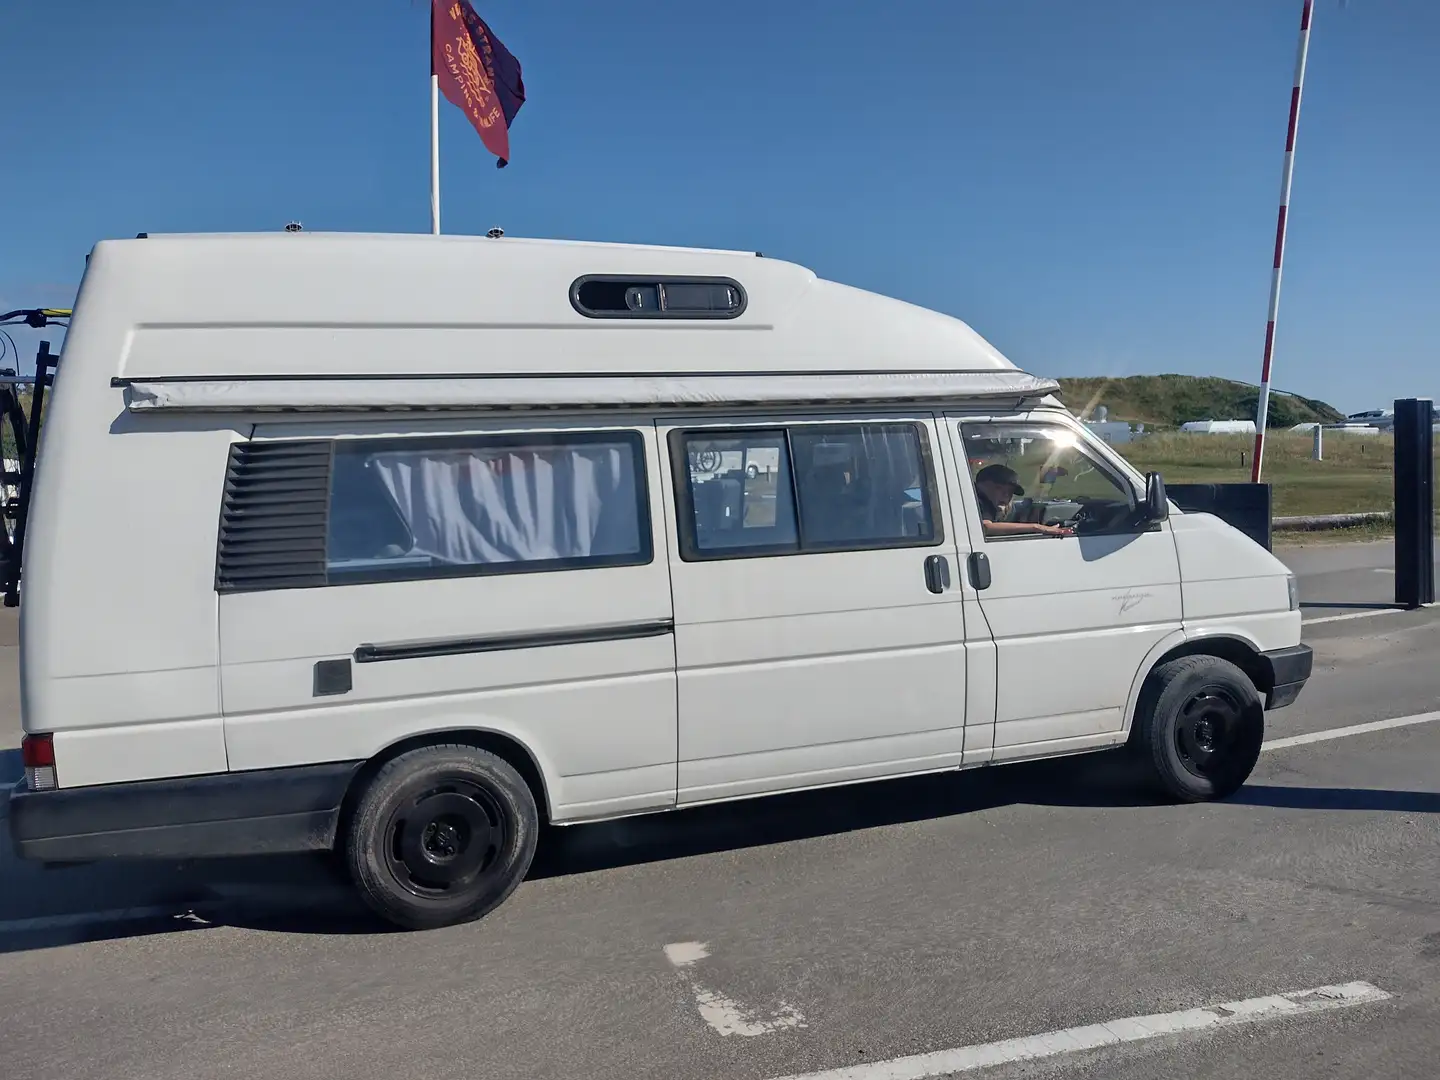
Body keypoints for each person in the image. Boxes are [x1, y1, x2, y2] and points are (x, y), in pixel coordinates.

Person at [972, 463, 1074, 538]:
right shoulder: (977, 501)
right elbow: (985, 527)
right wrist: (1037, 527)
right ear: (982, 485)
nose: (1006, 495)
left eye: (1010, 492)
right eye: (999, 488)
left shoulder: (991, 504)